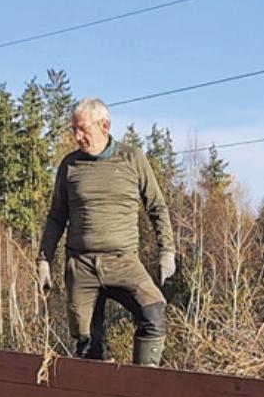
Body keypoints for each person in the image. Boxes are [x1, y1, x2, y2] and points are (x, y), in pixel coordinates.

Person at [37, 97, 176, 367]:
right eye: (73, 130)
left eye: (83, 129)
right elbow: (56, 216)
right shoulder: (70, 166)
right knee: (88, 345)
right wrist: (43, 259)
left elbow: (157, 207)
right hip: (81, 266)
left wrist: (167, 251)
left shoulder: (132, 159)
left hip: (123, 261)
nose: (77, 136)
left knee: (153, 313)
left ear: (105, 125)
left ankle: (142, 385)